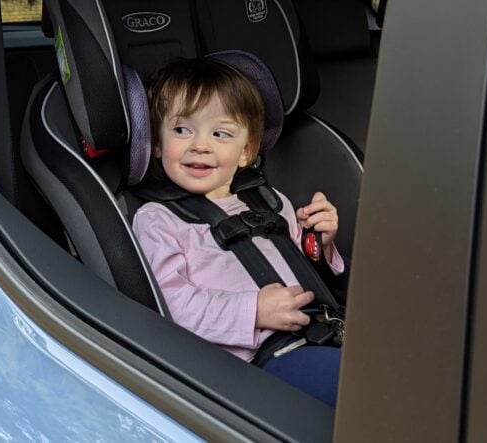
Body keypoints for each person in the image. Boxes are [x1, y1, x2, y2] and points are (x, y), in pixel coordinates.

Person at [132, 57, 344, 407]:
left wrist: (320, 243)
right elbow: (171, 305)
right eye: (182, 130)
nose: (200, 145)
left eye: (220, 133)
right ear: (157, 143)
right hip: (260, 364)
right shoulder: (158, 220)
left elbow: (306, 267)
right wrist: (252, 311)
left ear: (246, 150)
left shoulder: (270, 200)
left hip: (326, 332)